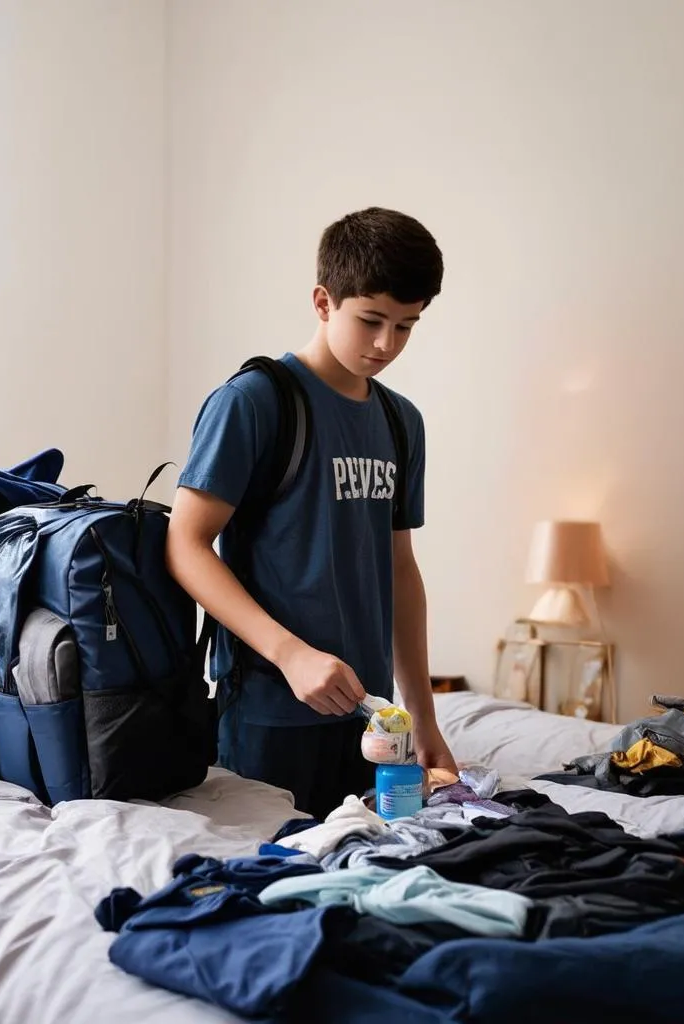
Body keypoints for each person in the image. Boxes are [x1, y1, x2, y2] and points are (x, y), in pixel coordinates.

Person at [165, 207, 457, 820]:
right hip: (270, 713)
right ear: (324, 302)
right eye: (371, 320)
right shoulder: (254, 401)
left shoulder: (403, 424)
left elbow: (400, 571)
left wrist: (424, 718)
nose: (387, 345)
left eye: (407, 326)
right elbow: (185, 544)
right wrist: (292, 654)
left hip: (375, 720)